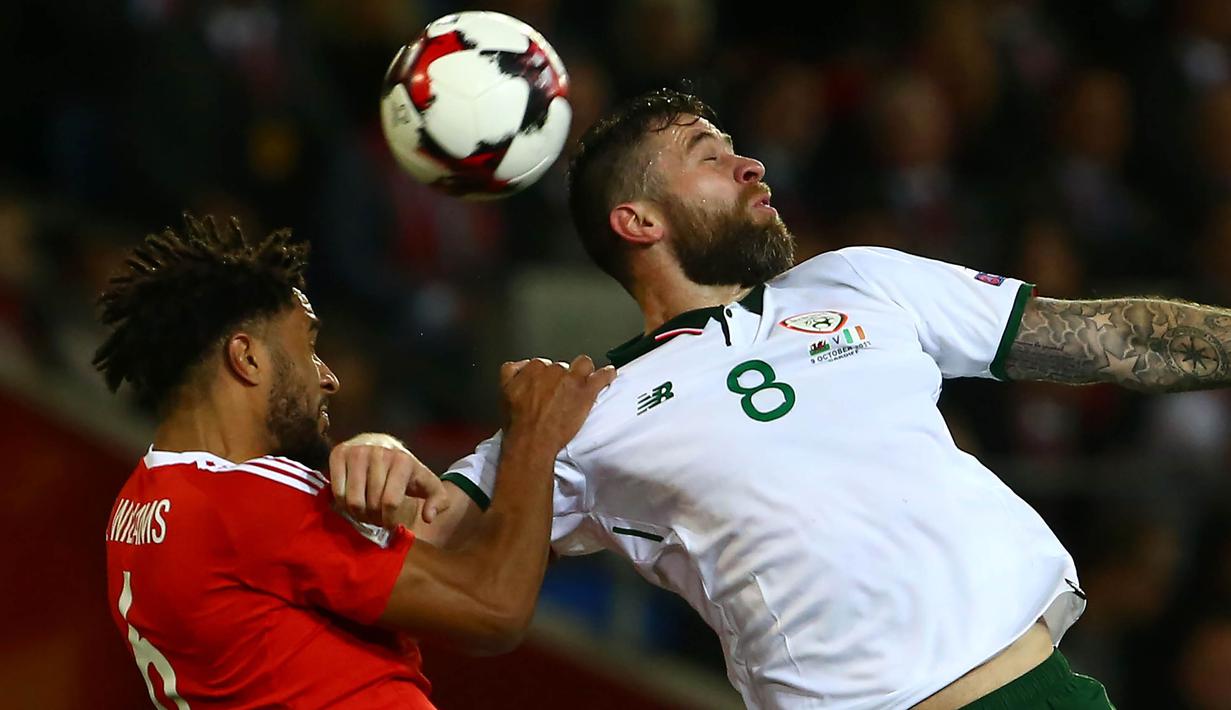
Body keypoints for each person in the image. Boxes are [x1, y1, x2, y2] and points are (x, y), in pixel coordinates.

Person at [351, 87, 1231, 709]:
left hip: (1044, 689)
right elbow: (417, 544)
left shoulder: (857, 279)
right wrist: (381, 452)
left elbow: (1107, 337)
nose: (749, 163)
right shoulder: (582, 410)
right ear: (638, 221)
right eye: (710, 154)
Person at [96, 214, 614, 709]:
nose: (328, 377)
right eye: (310, 346)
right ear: (247, 358)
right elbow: (494, 609)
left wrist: (379, 445)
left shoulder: (138, 504)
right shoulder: (246, 500)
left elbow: (419, 544)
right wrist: (534, 438)